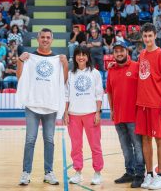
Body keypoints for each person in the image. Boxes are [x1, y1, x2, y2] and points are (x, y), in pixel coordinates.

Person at [17, 28, 68, 186]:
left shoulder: (57, 59)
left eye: (48, 37)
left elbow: (63, 81)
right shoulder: (29, 58)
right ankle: (26, 173)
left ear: (52, 40)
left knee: (49, 140)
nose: (45, 40)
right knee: (30, 140)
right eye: (43, 37)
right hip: (33, 105)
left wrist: (65, 64)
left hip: (50, 106)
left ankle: (49, 172)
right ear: (38, 39)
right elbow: (20, 77)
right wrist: (20, 61)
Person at [135, 23, 161, 190]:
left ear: (155, 35)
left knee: (160, 139)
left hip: (157, 104)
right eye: (145, 36)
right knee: (145, 139)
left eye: (150, 36)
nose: (147, 39)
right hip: (142, 104)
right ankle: (149, 174)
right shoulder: (142, 54)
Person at [107, 41, 145, 188]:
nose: (119, 54)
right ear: (113, 54)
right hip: (118, 116)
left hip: (134, 116)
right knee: (125, 147)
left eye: (121, 50)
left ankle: (140, 174)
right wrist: (111, 110)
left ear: (126, 51)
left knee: (137, 146)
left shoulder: (136, 66)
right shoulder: (111, 70)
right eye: (116, 51)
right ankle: (129, 172)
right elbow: (110, 92)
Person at [63, 46, 104, 185]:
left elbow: (99, 94)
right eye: (78, 55)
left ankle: (97, 173)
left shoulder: (95, 73)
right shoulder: (70, 74)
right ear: (74, 57)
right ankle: (78, 172)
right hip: (74, 115)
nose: (81, 57)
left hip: (91, 113)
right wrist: (66, 113)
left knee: (95, 145)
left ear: (88, 57)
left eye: (84, 55)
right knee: (76, 146)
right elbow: (66, 95)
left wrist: (98, 112)